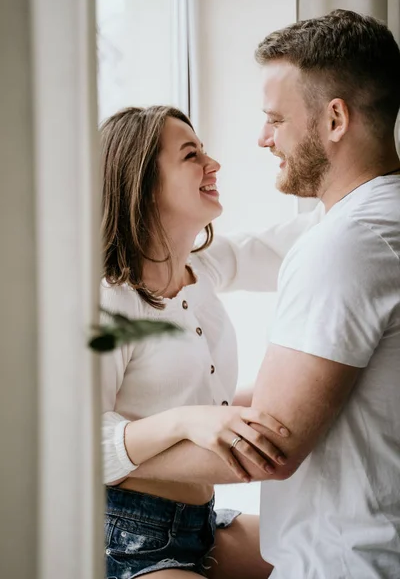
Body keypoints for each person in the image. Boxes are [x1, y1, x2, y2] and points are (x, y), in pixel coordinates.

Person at [126, 10, 400, 579]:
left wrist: (103, 462)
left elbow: (269, 446)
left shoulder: (347, 244)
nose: (262, 138)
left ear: (335, 119)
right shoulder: (373, 222)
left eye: (276, 118)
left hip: (347, 560)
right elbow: (332, 381)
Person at [100, 105, 322, 579]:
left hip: (202, 522)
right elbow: (81, 447)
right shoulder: (108, 301)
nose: (213, 163)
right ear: (143, 181)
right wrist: (186, 420)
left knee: (322, 550)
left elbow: (295, 243)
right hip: (128, 538)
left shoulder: (200, 267)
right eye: (191, 154)